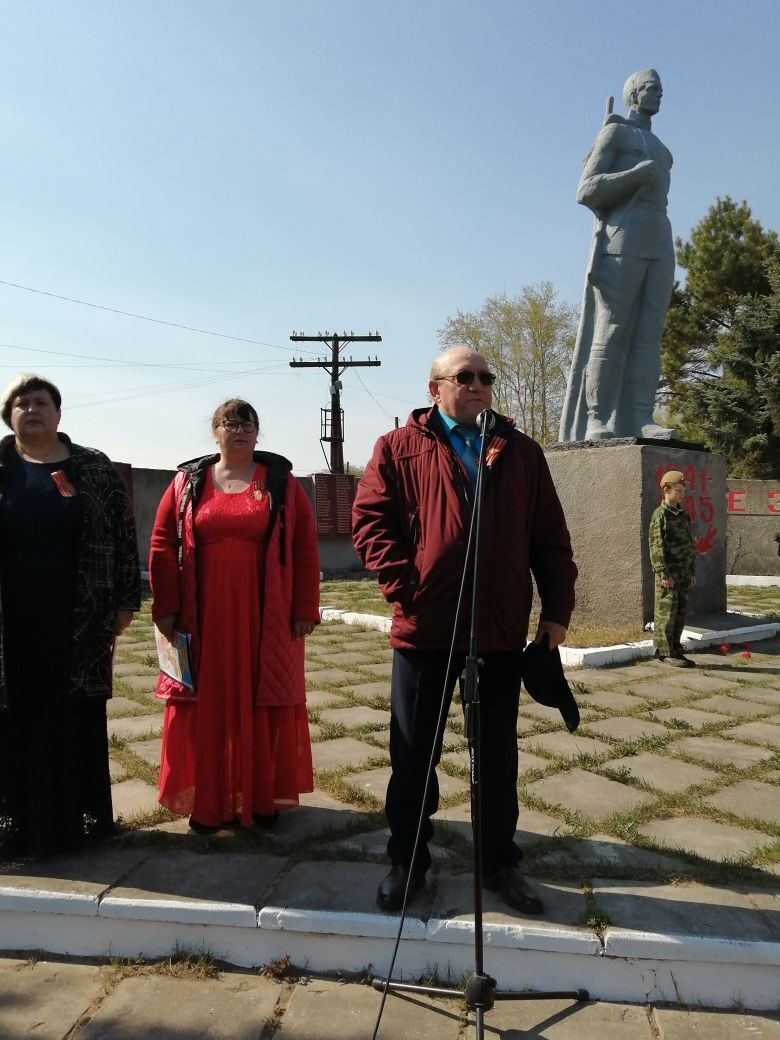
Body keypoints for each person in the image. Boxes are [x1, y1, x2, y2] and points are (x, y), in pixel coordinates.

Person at [352, 347, 577, 914]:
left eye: (485, 378)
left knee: (498, 758)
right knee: (413, 757)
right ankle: (408, 861)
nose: (478, 385)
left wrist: (556, 610)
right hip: (426, 632)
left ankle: (499, 862)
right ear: (435, 388)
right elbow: (370, 522)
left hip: (498, 634)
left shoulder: (519, 451)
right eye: (465, 377)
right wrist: (407, 588)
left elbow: (550, 535)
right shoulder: (399, 448)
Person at [149, 398, 320, 833]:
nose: (239, 430)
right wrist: (166, 607)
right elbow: (162, 544)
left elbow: (304, 545)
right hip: (200, 613)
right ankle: (207, 802)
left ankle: (259, 798)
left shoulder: (280, 482)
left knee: (259, 699)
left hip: (265, 612)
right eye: (230, 423)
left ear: (257, 433)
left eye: (248, 423)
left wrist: (304, 607)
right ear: (215, 431)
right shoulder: (187, 482)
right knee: (203, 702)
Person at [0, 373, 140, 859]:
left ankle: (73, 823)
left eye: (42, 402)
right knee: (13, 717)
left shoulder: (93, 468)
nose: (32, 409)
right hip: (9, 619)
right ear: (9, 415)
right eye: (22, 403)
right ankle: (16, 825)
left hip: (80, 615)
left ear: (58, 414)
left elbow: (124, 535)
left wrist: (125, 601)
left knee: (71, 714)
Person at [559, 69, 675, 442]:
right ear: (634, 95)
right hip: (621, 239)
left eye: (660, 89)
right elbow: (587, 189)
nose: (659, 94)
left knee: (648, 334)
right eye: (652, 89)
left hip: (658, 237)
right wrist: (635, 175)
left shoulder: (663, 150)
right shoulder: (615, 132)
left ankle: (642, 416)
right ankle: (598, 418)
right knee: (612, 329)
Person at [649, 470, 697, 668]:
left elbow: (689, 544)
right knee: (666, 614)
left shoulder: (683, 515)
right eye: (677, 490)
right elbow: (656, 545)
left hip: (683, 574)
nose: (681, 494)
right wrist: (663, 573)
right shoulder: (661, 514)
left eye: (683, 490)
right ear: (666, 490)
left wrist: (692, 571)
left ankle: (676, 649)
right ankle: (664, 652)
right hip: (669, 574)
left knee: (680, 613)